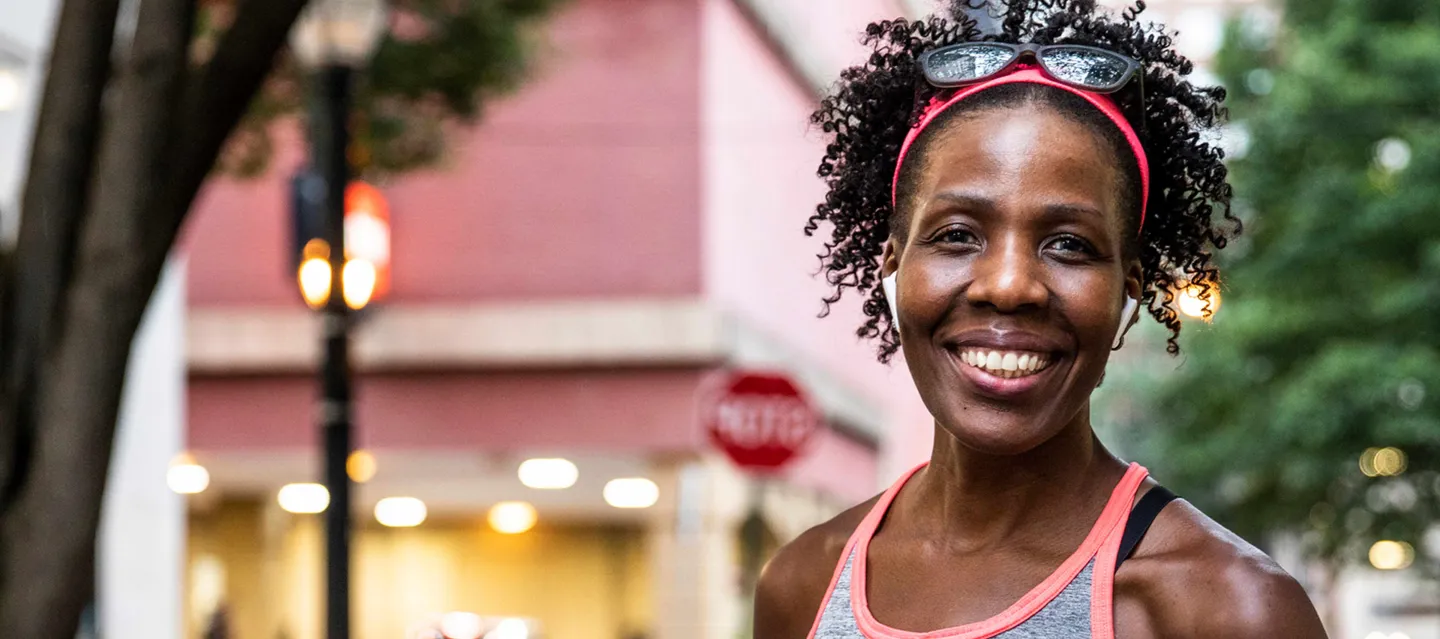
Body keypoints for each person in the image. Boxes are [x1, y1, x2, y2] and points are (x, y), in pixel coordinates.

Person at [754, 1, 1329, 638]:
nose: (1009, 286)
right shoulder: (802, 583)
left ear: (1127, 298)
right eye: (956, 234)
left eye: (1069, 245)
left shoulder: (1227, 611)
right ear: (893, 267)